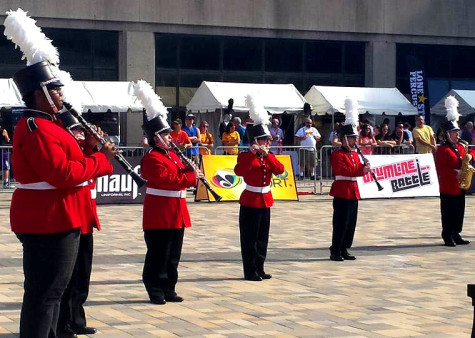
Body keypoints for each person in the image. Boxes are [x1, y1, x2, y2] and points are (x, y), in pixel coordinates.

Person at [9, 61, 116, 337]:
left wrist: (89, 148)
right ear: (39, 92)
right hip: (48, 218)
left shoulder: (49, 125)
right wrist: (101, 159)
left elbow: (71, 162)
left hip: (58, 215)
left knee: (52, 293)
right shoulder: (36, 127)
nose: (61, 95)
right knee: (45, 293)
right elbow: (63, 173)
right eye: (55, 89)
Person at [137, 80, 203, 305]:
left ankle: (169, 287)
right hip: (160, 212)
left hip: (176, 211)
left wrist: (190, 167)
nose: (170, 138)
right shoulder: (153, 158)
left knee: (173, 254)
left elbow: (180, 173)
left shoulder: (172, 154)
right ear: (155, 138)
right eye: (165, 135)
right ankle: (155, 288)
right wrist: (192, 176)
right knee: (158, 253)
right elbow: (170, 181)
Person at [56, 112, 105, 336]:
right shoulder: (66, 151)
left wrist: (93, 147)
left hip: (85, 219)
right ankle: (63, 323)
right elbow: (80, 167)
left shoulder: (82, 150)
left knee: (82, 276)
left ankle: (76, 319)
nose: (80, 135)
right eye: (76, 131)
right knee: (67, 278)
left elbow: (97, 168)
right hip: (71, 219)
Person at [235, 94, 284, 281]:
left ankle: (260, 267)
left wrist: (268, 155)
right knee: (250, 239)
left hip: (265, 200)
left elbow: (279, 170)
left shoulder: (268, 156)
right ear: (256, 141)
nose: (268, 143)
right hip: (251, 199)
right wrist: (253, 154)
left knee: (263, 238)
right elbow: (240, 171)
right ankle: (250, 270)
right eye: (265, 140)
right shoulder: (246, 156)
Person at [329, 98, 370, 262]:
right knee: (340, 222)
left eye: (355, 137)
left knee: (351, 223)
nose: (355, 140)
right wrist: (361, 170)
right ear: (344, 139)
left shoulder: (354, 154)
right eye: (352, 138)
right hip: (342, 190)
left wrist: (364, 168)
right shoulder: (337, 154)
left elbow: (356, 169)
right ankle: (335, 249)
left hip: (353, 190)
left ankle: (345, 247)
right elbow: (342, 170)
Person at [435, 96, 475, 247]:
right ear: (447, 134)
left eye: (457, 132)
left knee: (459, 212)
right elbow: (440, 168)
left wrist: (470, 156)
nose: (457, 134)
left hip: (460, 186)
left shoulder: (461, 145)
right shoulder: (443, 149)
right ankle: (447, 234)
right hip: (448, 185)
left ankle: (456, 233)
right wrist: (454, 173)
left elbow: (470, 154)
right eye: (454, 132)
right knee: (448, 212)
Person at [0, 118, 11, 188]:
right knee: (6, 167)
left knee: (6, 167)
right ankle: (6, 183)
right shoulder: (3, 131)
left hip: (3, 151)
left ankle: (6, 182)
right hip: (3, 151)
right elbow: (7, 140)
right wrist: (6, 137)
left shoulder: (3, 131)